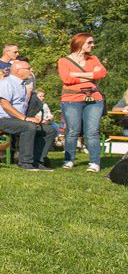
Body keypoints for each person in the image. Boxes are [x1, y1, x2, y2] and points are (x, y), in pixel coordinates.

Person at [0, 60, 57, 171]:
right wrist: (25, 119)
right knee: (29, 127)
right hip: (0, 119)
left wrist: (37, 119)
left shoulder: (22, 85)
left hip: (17, 120)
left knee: (49, 130)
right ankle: (25, 162)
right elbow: (5, 104)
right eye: (28, 69)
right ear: (17, 71)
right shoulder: (6, 83)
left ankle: (37, 161)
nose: (31, 71)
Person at [58, 33, 106, 172]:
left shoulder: (93, 59)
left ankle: (94, 163)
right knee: (72, 130)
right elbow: (67, 79)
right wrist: (90, 75)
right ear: (80, 43)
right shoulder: (63, 61)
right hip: (71, 99)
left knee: (92, 131)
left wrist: (77, 74)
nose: (93, 45)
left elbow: (101, 73)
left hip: (94, 98)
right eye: (89, 43)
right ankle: (69, 160)